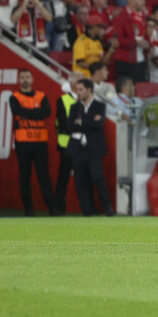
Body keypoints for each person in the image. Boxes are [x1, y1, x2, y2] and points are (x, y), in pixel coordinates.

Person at [9, 69, 56, 216]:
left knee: (44, 176)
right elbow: (17, 111)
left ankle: (52, 208)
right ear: (18, 80)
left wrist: (26, 112)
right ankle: (28, 209)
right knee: (24, 177)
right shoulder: (14, 97)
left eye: (27, 77)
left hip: (40, 142)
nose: (24, 79)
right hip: (23, 142)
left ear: (32, 79)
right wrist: (35, 113)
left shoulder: (41, 96)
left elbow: (46, 112)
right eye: (22, 77)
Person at [67, 78, 113, 216]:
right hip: (78, 148)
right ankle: (87, 211)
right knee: (80, 181)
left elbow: (99, 125)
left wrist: (81, 122)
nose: (78, 92)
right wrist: (90, 122)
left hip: (93, 148)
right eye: (77, 90)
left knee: (98, 177)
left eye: (81, 89)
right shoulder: (75, 107)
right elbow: (70, 126)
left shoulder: (99, 106)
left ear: (89, 90)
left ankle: (108, 208)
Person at [52, 81, 78, 214]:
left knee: (84, 176)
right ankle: (59, 207)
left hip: (80, 144)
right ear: (73, 84)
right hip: (66, 143)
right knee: (64, 177)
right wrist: (79, 128)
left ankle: (88, 206)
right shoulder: (63, 99)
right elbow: (63, 123)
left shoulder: (83, 99)